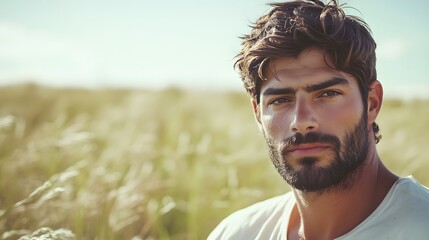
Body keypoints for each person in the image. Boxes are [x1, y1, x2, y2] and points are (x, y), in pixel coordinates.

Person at [208, 0, 429, 239]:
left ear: (372, 103)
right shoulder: (237, 233)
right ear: (258, 113)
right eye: (280, 100)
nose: (301, 121)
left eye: (327, 94)